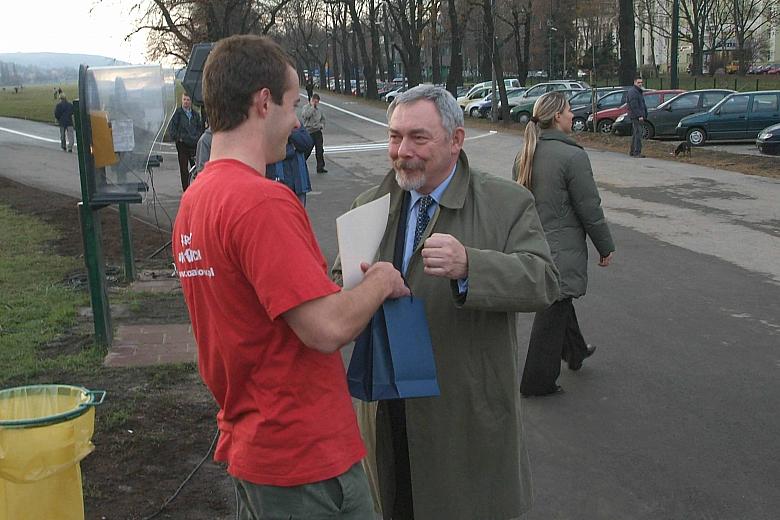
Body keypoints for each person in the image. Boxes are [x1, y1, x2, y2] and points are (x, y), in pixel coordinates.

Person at [171, 35, 409, 519]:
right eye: (293, 103)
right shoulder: (262, 201)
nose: (298, 119)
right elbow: (325, 329)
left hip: (256, 451)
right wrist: (380, 281)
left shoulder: (196, 199)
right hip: (306, 459)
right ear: (264, 102)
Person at [332, 85, 560, 520]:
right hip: (386, 410)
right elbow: (340, 280)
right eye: (395, 137)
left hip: (464, 413)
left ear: (457, 140)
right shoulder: (370, 205)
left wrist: (471, 265)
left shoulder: (506, 203)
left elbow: (545, 279)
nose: (402, 151)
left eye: (419, 138)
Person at [513, 91, 616, 397]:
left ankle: (575, 351)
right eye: (570, 110)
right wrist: (605, 246)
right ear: (557, 116)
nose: (574, 115)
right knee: (555, 304)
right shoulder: (572, 156)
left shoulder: (525, 154)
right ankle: (537, 381)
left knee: (560, 297)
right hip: (561, 246)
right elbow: (589, 207)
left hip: (534, 243)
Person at [266, 125, 314, 206]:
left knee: (299, 214)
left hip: (298, 182)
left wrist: (289, 130)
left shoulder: (294, 123)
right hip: (278, 181)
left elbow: (307, 144)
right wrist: (293, 149)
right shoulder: (268, 125)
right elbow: (275, 151)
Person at [168, 92, 204, 191]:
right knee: (184, 170)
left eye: (188, 100)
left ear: (191, 101)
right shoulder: (177, 114)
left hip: (193, 145)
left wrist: (197, 137)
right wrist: (179, 138)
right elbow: (172, 130)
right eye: (184, 99)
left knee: (196, 168)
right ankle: (186, 190)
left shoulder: (196, 115)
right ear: (181, 100)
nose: (186, 102)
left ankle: (197, 189)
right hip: (182, 145)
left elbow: (200, 128)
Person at [301, 93, 327, 173]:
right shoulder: (306, 108)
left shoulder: (320, 110)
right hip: (309, 131)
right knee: (307, 150)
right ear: (311, 100)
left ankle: (320, 167)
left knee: (319, 150)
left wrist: (322, 125)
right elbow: (306, 116)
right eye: (314, 101)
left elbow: (323, 118)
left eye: (317, 102)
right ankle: (301, 165)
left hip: (317, 131)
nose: (316, 103)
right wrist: (312, 107)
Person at [626, 76, 648, 158]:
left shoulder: (638, 92)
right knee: (638, 134)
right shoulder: (633, 92)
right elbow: (634, 105)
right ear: (634, 82)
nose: (640, 84)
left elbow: (642, 104)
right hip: (636, 116)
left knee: (636, 134)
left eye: (641, 82)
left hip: (638, 115)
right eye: (638, 82)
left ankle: (633, 151)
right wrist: (639, 115)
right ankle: (637, 152)